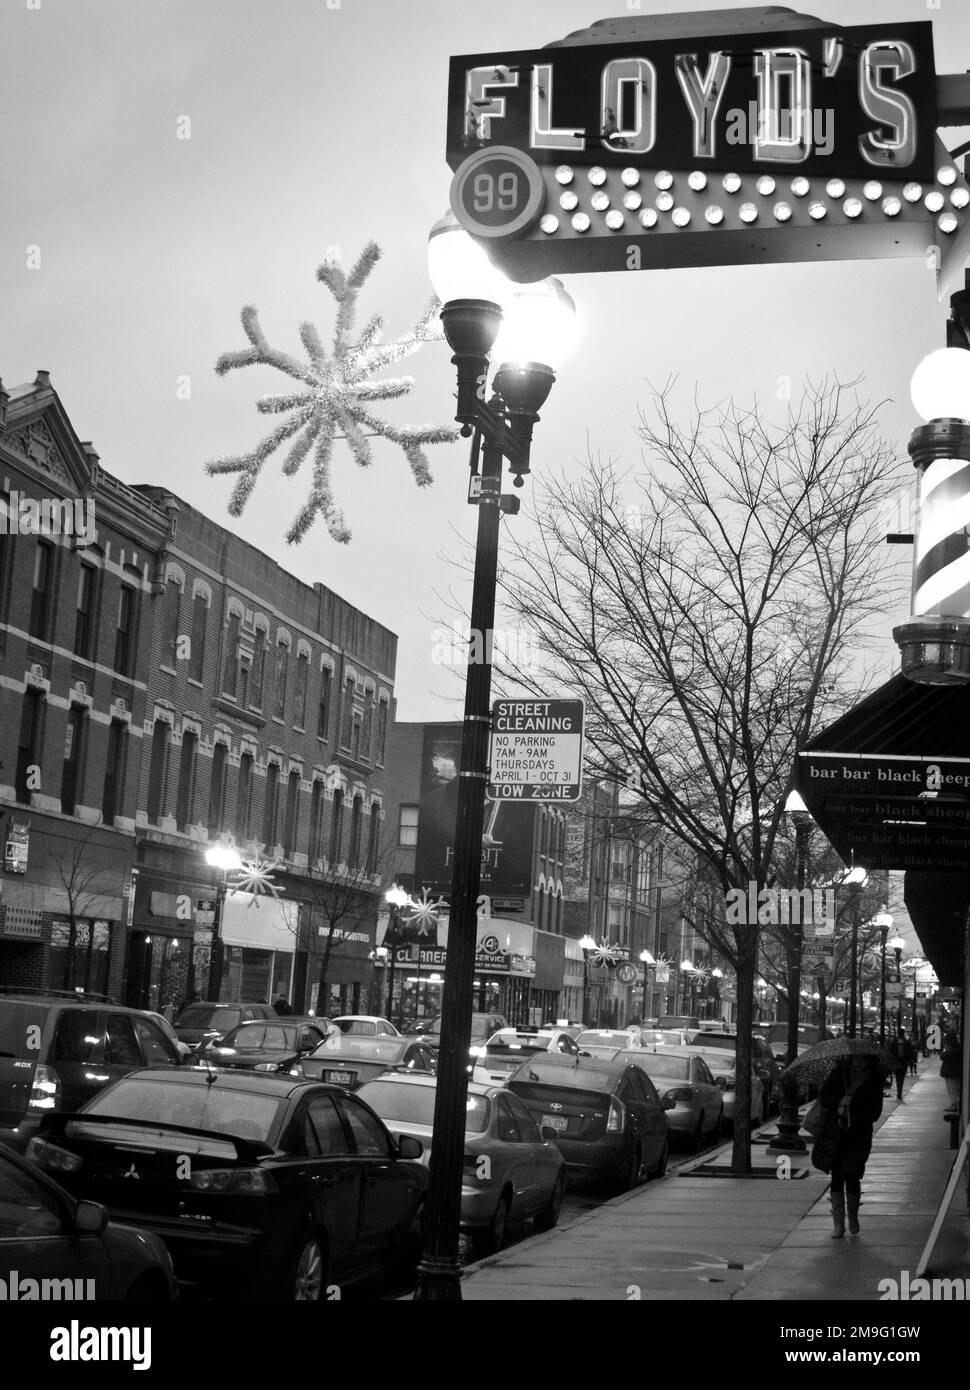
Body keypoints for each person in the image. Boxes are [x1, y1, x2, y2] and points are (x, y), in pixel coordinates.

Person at [813, 1054, 885, 1238]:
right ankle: (838, 1224)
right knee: (837, 1176)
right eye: (856, 1060)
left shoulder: (873, 1079)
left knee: (852, 1175)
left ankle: (853, 1217)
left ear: (869, 1061)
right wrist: (839, 1103)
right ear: (850, 1060)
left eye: (863, 1061)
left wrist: (854, 1108)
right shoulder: (839, 1074)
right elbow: (824, 1097)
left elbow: (875, 1112)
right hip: (836, 1134)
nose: (859, 1064)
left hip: (859, 1135)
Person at [940, 1031, 962, 1113]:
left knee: (952, 1089)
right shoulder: (957, 1048)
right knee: (953, 1089)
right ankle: (954, 1104)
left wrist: (945, 1049)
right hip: (952, 1072)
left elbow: (943, 1056)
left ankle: (954, 1105)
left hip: (951, 1072)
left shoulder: (953, 1049)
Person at [887, 1030, 909, 1100]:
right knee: (900, 1077)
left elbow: (890, 1051)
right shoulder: (905, 1042)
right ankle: (899, 1091)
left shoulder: (894, 1042)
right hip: (901, 1062)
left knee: (898, 1077)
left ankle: (899, 1091)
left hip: (898, 1062)